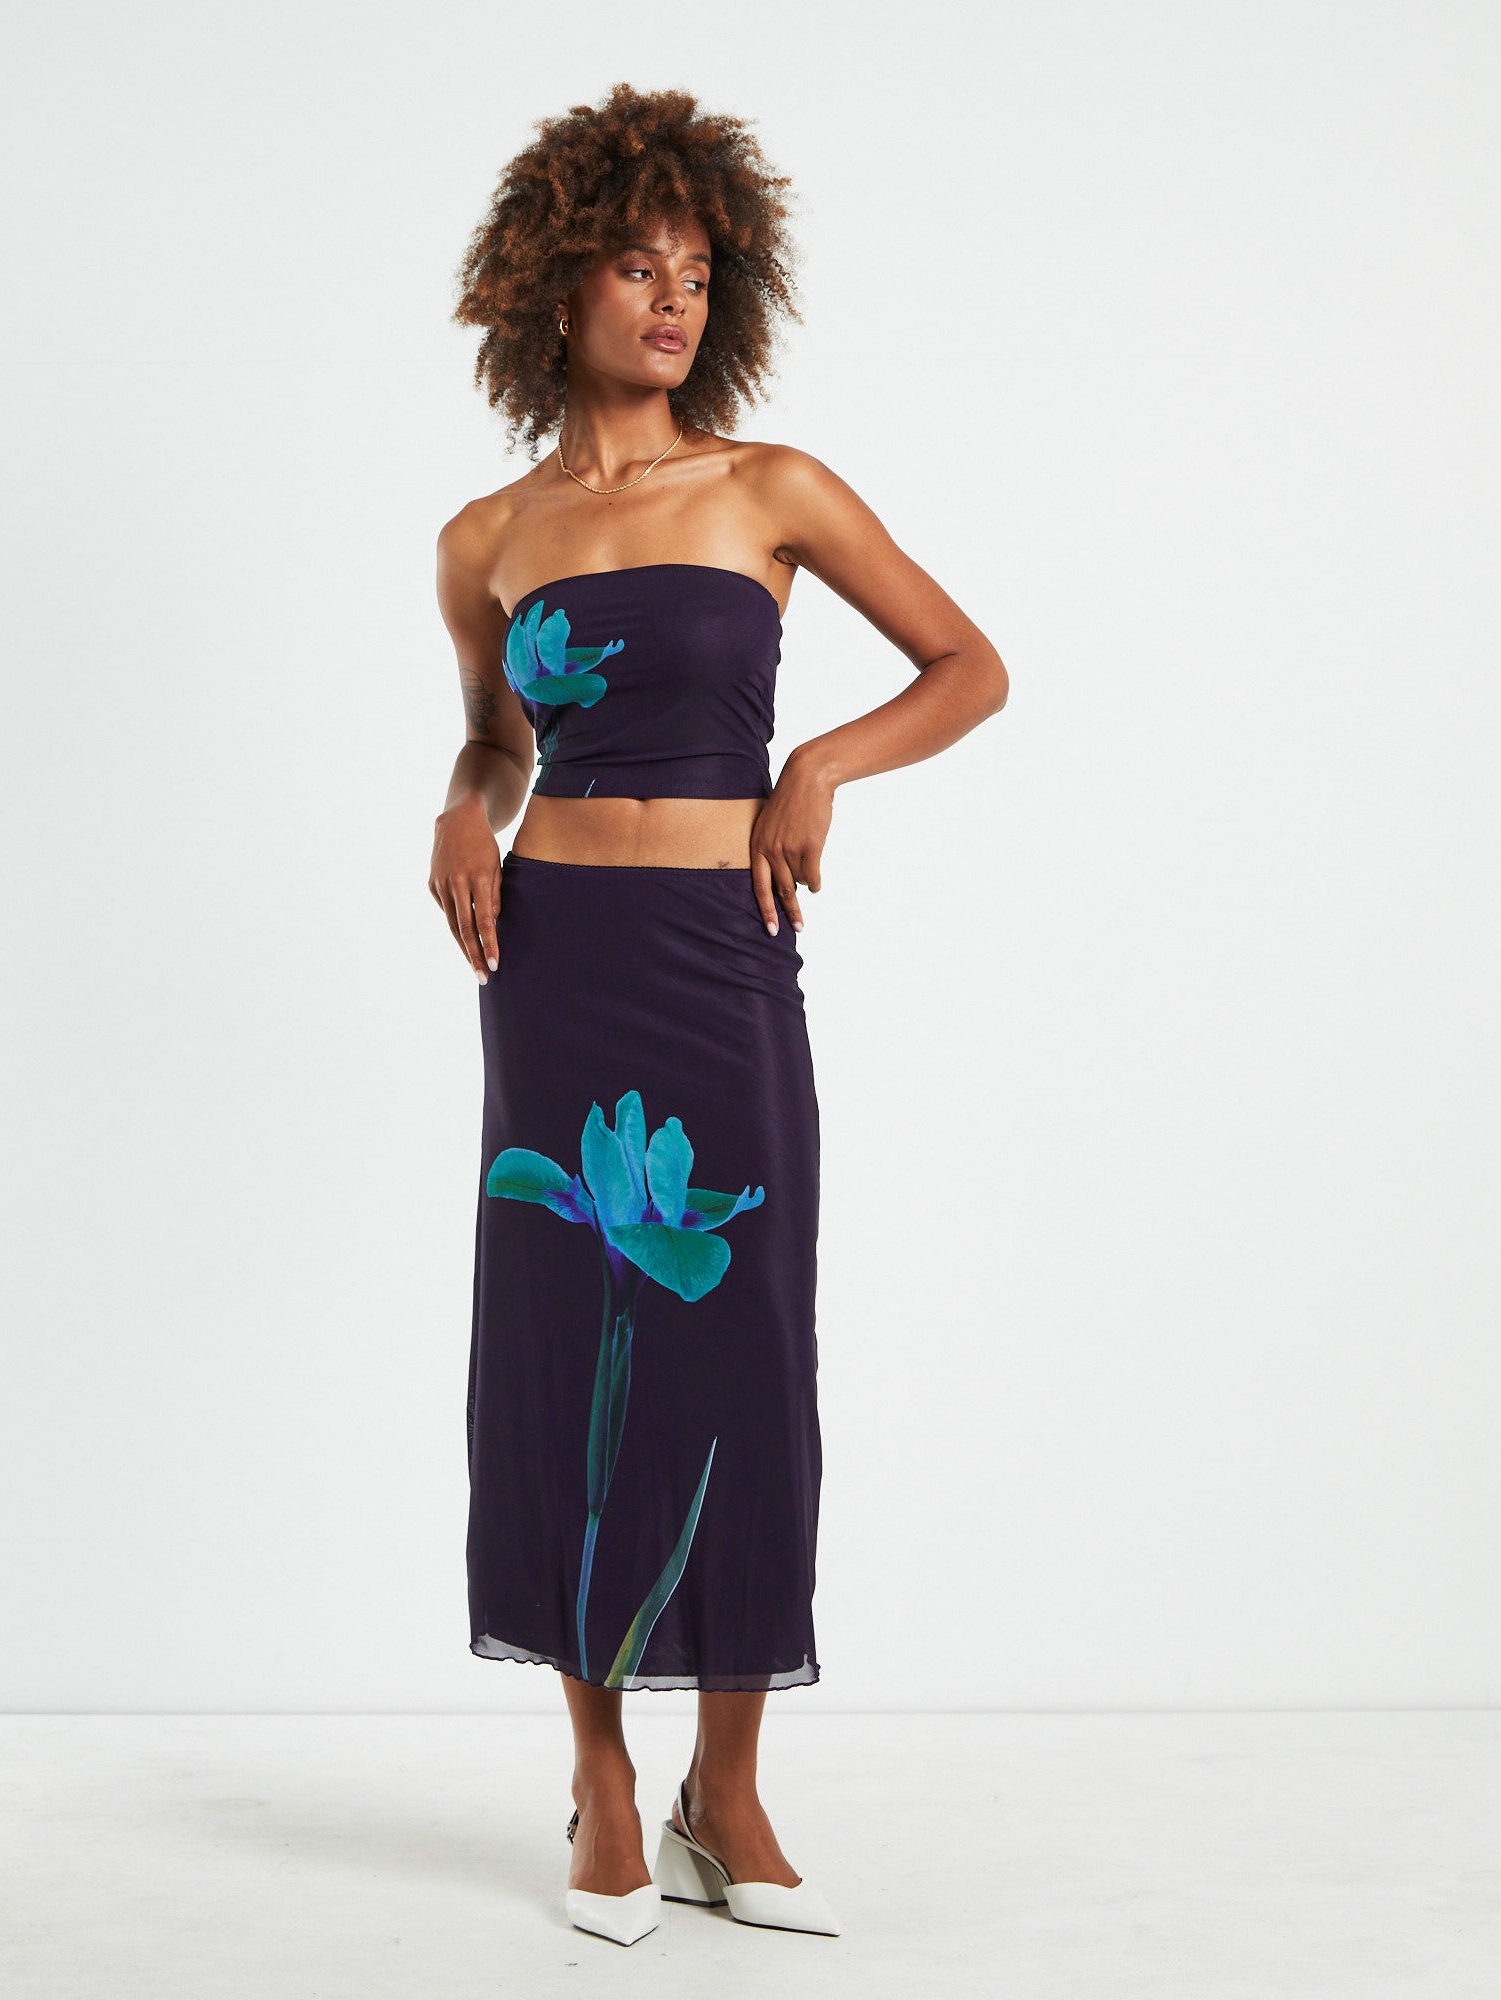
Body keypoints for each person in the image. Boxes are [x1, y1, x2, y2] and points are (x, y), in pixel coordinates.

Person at [431, 82, 1008, 1948]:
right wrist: (459, 805)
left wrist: (819, 764)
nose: (672, 297)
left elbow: (970, 665)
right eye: (635, 264)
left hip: (716, 954)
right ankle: (602, 1779)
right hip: (556, 966)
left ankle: (727, 1787)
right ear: (555, 283)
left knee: (746, 1336)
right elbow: (500, 740)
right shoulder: (485, 537)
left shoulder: (771, 487)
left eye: (695, 271)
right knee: (556, 1337)